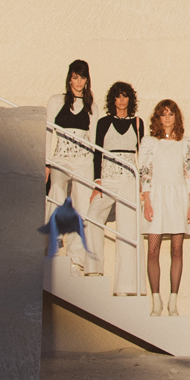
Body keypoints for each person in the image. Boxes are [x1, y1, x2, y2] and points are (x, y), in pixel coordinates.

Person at [84, 82, 145, 294]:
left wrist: (142, 185)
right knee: (93, 216)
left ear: (130, 99)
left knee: (128, 229)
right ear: (113, 99)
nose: (121, 100)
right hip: (108, 178)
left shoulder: (138, 123)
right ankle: (93, 269)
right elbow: (97, 153)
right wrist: (97, 182)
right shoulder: (103, 122)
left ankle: (126, 286)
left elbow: (142, 156)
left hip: (129, 179)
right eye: (118, 96)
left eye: (125, 96)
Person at [140, 100, 190, 317]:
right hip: (156, 197)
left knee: (177, 250)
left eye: (170, 114)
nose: (167, 118)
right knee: (153, 249)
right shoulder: (149, 142)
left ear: (176, 117)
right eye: (163, 114)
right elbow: (145, 172)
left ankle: (173, 300)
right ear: (158, 117)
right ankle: (156, 299)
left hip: (179, 198)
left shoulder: (186, 143)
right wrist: (147, 200)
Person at [46, 60, 95, 273]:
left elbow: (94, 140)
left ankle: (76, 259)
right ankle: (54, 242)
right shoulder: (56, 101)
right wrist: (47, 163)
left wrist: (97, 174)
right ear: (69, 79)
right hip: (61, 157)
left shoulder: (92, 106)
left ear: (87, 80)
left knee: (82, 205)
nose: (79, 82)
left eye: (82, 78)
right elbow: (48, 132)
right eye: (75, 77)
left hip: (84, 160)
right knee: (56, 190)